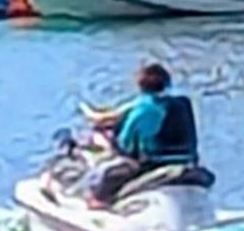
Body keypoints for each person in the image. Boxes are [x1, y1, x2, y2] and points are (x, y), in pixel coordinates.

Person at [86, 63, 200, 208]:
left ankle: (99, 204)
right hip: (186, 162)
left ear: (140, 86)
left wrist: (108, 141)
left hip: (152, 164)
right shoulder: (184, 104)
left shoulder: (142, 110)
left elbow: (125, 144)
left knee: (106, 177)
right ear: (167, 82)